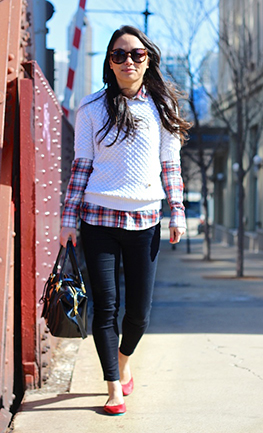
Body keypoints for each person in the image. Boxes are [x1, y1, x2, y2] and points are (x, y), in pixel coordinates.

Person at [59, 25, 191, 414]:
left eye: (136, 54)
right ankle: (113, 387)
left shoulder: (162, 108)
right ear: (109, 62)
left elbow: (171, 165)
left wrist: (177, 212)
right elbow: (80, 167)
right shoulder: (91, 107)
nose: (128, 61)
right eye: (119, 54)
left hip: (145, 221)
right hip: (98, 220)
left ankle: (124, 361)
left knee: (139, 313)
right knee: (106, 308)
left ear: (147, 59)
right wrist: (69, 218)